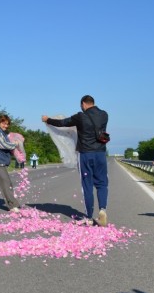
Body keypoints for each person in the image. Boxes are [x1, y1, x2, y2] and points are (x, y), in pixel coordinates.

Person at [42, 95, 109, 226]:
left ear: (84, 104)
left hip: (85, 154)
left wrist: (48, 120)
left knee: (87, 185)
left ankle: (89, 217)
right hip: (100, 153)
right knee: (102, 183)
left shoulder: (80, 116)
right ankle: (102, 209)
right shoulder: (104, 115)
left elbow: (62, 123)